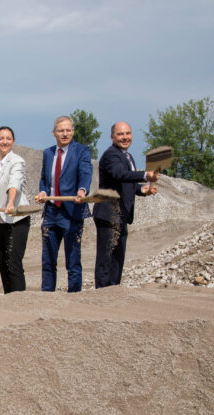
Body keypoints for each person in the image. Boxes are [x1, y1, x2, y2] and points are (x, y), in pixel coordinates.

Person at [93, 121, 158, 288]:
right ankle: (102, 294)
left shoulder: (127, 156)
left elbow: (124, 183)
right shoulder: (111, 155)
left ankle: (114, 292)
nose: (125, 137)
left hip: (121, 214)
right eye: (121, 134)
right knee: (106, 259)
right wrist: (145, 175)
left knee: (117, 258)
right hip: (109, 213)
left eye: (128, 134)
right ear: (112, 137)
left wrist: (142, 190)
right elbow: (120, 174)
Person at [35, 115, 92, 293]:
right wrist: (43, 192)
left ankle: (74, 298)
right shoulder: (48, 153)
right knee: (48, 260)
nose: (65, 133)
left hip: (72, 211)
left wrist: (82, 191)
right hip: (51, 212)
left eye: (68, 130)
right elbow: (45, 179)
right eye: (61, 130)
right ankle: (47, 296)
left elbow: (85, 173)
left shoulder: (82, 151)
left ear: (73, 132)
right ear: (54, 133)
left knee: (73, 260)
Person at [0, 126, 31, 293]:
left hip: (17, 219)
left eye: (8, 138)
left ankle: (19, 300)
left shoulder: (17, 161)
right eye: (1, 138)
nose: (5, 141)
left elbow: (14, 183)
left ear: (13, 141)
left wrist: (11, 202)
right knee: (1, 262)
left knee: (13, 262)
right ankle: (8, 297)